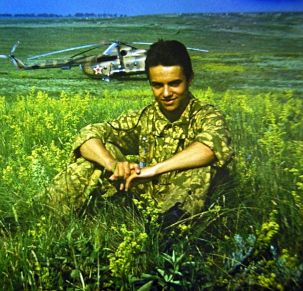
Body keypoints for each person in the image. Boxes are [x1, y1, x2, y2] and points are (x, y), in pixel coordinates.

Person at [47, 39, 233, 225]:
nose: (166, 93)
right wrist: (113, 164)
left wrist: (152, 171)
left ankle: (170, 235)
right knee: (97, 156)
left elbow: (209, 147)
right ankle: (46, 216)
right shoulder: (144, 117)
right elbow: (88, 134)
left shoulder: (207, 115)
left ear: (190, 79)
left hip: (185, 203)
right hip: (145, 198)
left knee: (201, 168)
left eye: (174, 83)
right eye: (157, 85)